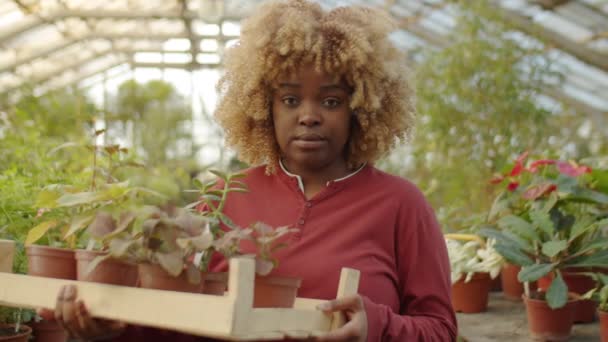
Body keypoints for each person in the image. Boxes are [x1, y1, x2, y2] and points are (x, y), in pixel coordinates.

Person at [41, 0, 457, 340]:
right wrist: (110, 328)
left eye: (330, 101)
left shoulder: (401, 204)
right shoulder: (226, 197)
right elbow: (184, 322)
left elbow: (440, 330)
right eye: (290, 100)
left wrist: (378, 328)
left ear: (361, 110)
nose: (309, 116)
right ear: (264, 108)